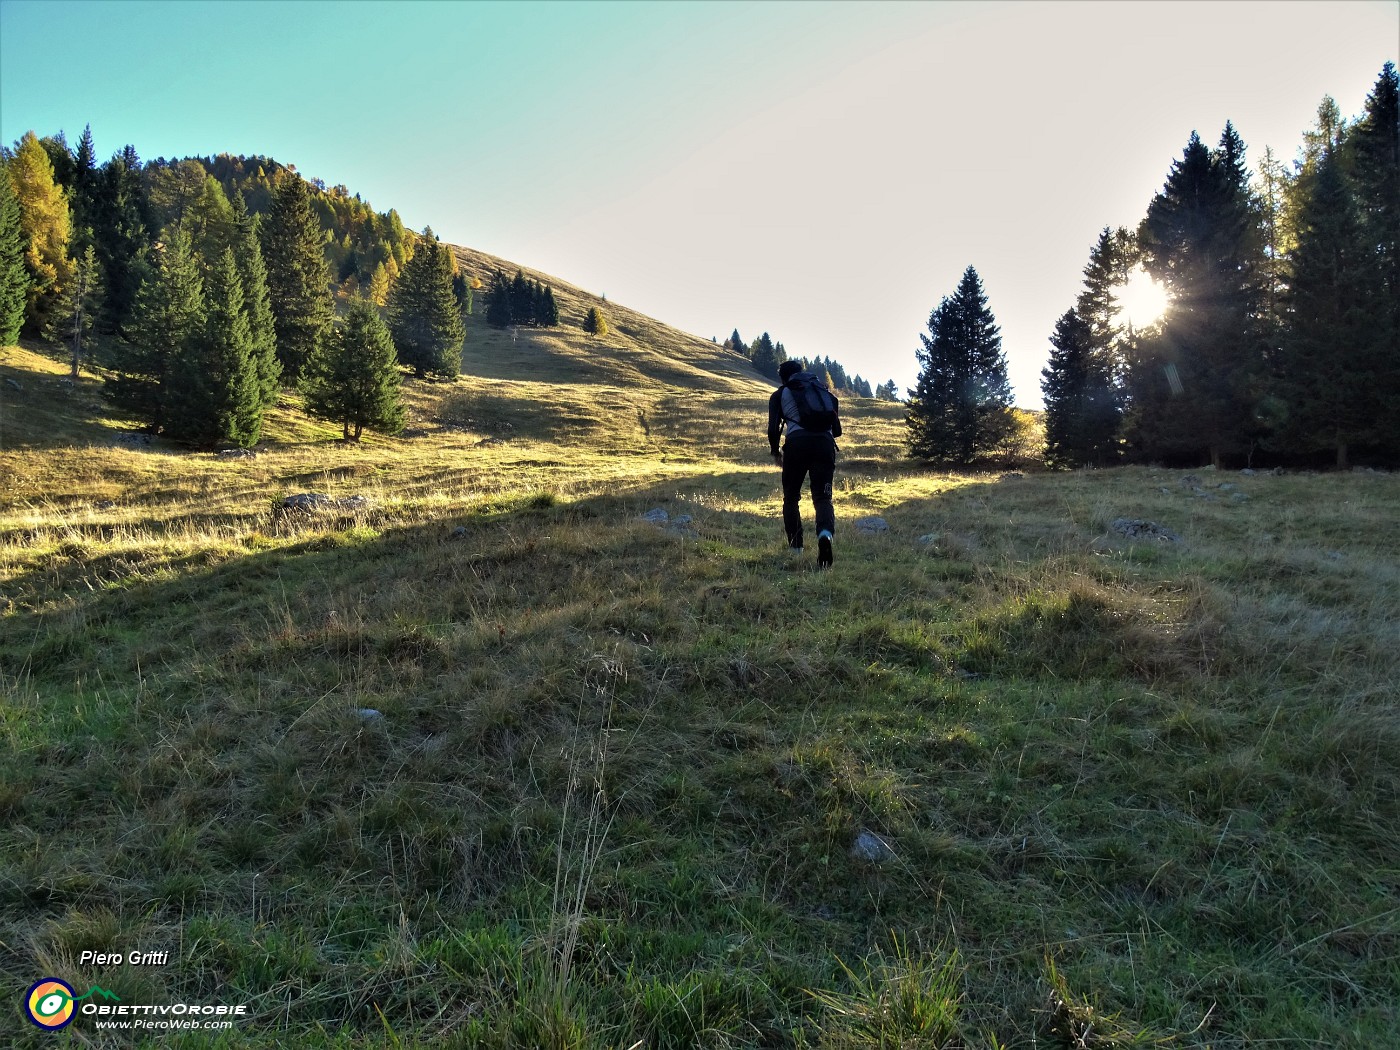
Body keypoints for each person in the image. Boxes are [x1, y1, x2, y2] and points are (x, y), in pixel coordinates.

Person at [769, 359, 842, 567]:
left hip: (797, 445)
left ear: (783, 377)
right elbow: (836, 428)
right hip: (825, 444)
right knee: (823, 498)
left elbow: (773, 428)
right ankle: (825, 535)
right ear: (801, 372)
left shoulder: (781, 393)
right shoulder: (822, 390)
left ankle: (796, 549)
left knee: (791, 498)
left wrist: (775, 452)